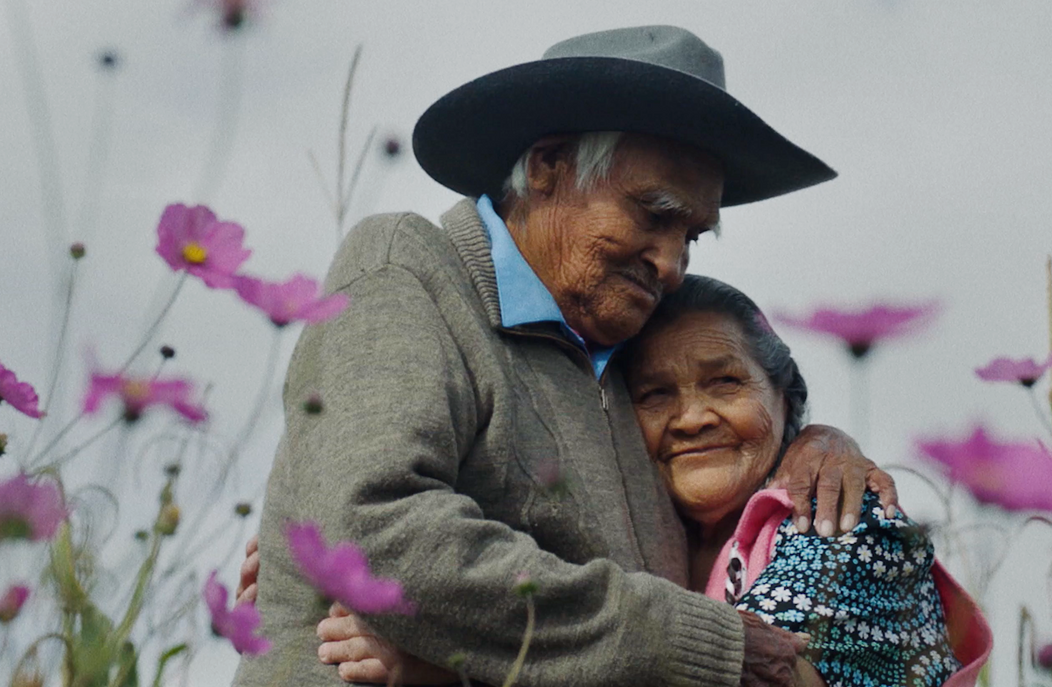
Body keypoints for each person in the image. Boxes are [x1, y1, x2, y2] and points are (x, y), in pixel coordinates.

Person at [232, 25, 896, 687]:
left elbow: (730, 443)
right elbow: (373, 526)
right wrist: (692, 646)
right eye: (653, 213)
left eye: (691, 236)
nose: (670, 264)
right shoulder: (407, 271)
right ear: (549, 165)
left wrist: (816, 442)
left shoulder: (634, 356)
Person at [302, 276, 993, 686]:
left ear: (787, 401)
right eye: (655, 395)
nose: (692, 417)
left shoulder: (843, 519)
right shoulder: (641, 542)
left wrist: (442, 663)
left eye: (725, 382)